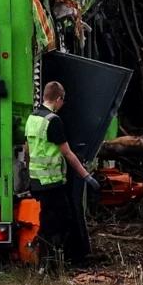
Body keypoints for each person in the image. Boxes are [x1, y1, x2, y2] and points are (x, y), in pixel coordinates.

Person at [24, 81, 101, 264]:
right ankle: (52, 261)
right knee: (61, 220)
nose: (62, 105)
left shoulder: (32, 118)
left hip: (36, 181)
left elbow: (26, 150)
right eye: (62, 101)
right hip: (52, 182)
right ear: (58, 99)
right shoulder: (53, 121)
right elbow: (67, 153)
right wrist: (86, 176)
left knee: (47, 220)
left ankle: (44, 259)